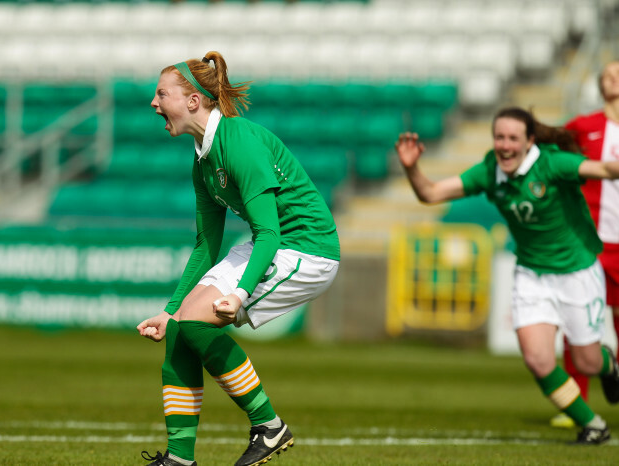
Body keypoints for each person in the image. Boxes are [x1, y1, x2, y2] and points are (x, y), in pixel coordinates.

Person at [137, 51, 340, 466]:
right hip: (273, 243)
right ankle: (180, 460)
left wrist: (242, 292)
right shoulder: (202, 158)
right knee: (179, 328)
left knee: (195, 325)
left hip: (308, 249)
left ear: (193, 100)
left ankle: (269, 426)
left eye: (162, 94)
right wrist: (169, 309)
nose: (154, 103)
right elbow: (205, 244)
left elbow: (270, 232)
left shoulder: (239, 142)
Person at [394, 106, 619, 445]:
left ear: (530, 141)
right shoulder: (489, 171)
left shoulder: (553, 164)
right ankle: (593, 425)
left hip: (577, 272)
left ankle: (610, 365)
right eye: (499, 137)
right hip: (530, 274)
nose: (505, 145)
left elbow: (602, 167)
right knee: (537, 359)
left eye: (513, 138)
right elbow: (430, 193)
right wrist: (412, 168)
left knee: (588, 362)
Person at [551, 60, 619, 429]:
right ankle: (574, 404)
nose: (612, 77)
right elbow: (551, 159)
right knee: (578, 325)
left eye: (618, 72)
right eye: (607, 74)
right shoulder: (583, 127)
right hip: (590, 245)